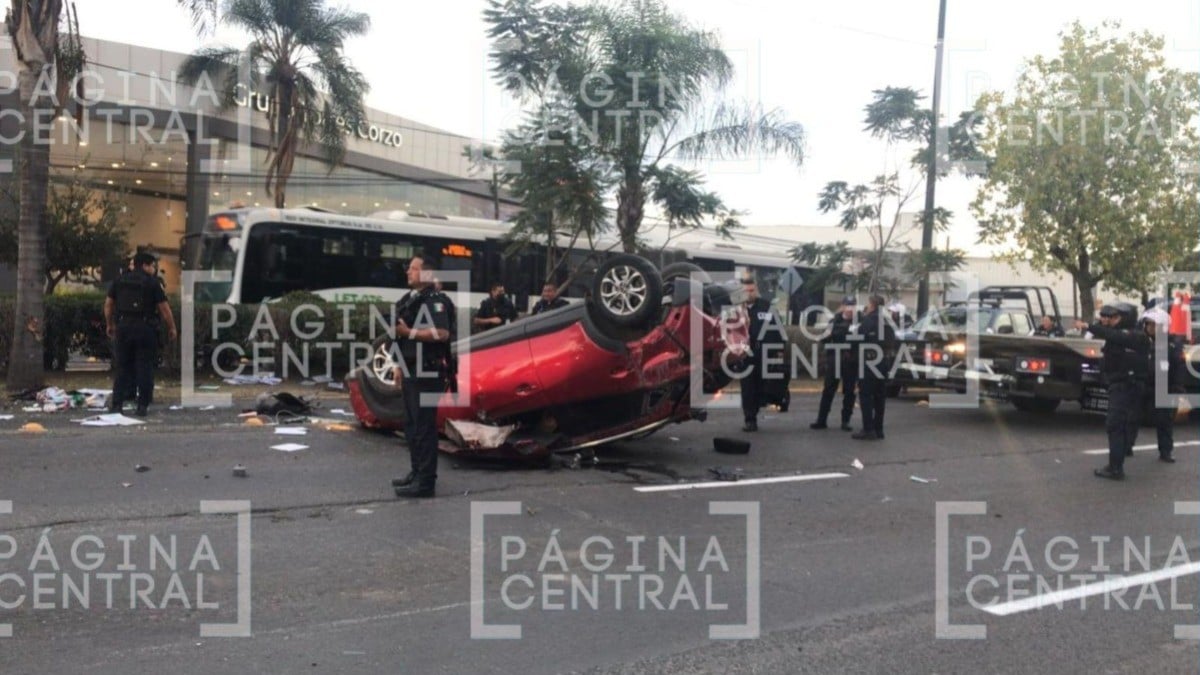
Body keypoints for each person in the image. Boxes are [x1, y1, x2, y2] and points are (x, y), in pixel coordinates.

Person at [390, 254, 454, 499]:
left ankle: (426, 482)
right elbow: (398, 335)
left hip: (428, 371)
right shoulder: (409, 300)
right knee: (411, 425)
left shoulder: (435, 301)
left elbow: (442, 333)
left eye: (413, 269)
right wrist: (397, 364)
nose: (408, 271)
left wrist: (409, 331)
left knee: (424, 427)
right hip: (410, 369)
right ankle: (416, 472)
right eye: (408, 268)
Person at [1075, 303, 1149, 480]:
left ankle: (1115, 468)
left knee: (1115, 425)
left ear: (1126, 318)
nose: (1112, 320)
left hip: (1125, 386)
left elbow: (1113, 335)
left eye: (1116, 317)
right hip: (1124, 385)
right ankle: (1120, 457)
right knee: (1122, 424)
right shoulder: (1125, 336)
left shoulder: (1134, 336)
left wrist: (1089, 326)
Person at [105, 252, 177, 416]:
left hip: (123, 327)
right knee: (144, 366)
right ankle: (142, 405)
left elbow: (108, 305)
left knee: (122, 366)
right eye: (152, 265)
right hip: (145, 328)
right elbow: (164, 309)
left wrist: (110, 324)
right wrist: (172, 327)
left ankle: (117, 404)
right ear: (144, 265)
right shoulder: (152, 283)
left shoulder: (119, 280)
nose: (153, 269)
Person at [1140, 307, 1182, 463]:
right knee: (1131, 417)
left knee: (1164, 422)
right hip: (1143, 383)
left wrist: (1177, 387)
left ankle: (1165, 451)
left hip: (1164, 387)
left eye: (1153, 324)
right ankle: (1126, 447)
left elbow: (1177, 366)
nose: (1149, 328)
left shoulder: (1171, 345)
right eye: (1148, 324)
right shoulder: (1141, 341)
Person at [852, 294, 896, 441]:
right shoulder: (888, 320)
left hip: (871, 360)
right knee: (880, 397)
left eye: (868, 304)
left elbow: (858, 338)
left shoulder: (869, 319)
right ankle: (879, 429)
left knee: (866, 395)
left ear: (872, 305)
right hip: (884, 360)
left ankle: (868, 429)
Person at [812, 296, 858, 431]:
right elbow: (825, 339)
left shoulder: (859, 321)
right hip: (835, 359)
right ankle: (821, 420)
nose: (850, 309)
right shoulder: (835, 320)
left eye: (853, 306)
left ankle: (846, 421)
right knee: (828, 390)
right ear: (843, 306)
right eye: (848, 305)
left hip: (851, 361)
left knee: (849, 391)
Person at [739, 279, 774, 432]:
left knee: (761, 385)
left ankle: (757, 407)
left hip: (763, 352)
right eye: (746, 290)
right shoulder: (736, 308)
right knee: (747, 387)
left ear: (756, 290)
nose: (749, 293)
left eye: (752, 290)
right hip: (744, 353)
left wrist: (777, 350)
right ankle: (750, 419)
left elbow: (776, 329)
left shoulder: (766, 307)